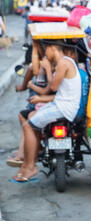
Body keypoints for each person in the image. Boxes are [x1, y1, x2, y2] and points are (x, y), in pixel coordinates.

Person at [10, 40, 81, 183]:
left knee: (28, 125)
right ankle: (27, 164)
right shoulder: (66, 62)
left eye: (46, 50)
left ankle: (30, 167)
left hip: (63, 108)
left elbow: (53, 86)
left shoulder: (63, 63)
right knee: (32, 121)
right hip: (59, 104)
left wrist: (48, 69)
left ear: (52, 48)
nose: (46, 55)